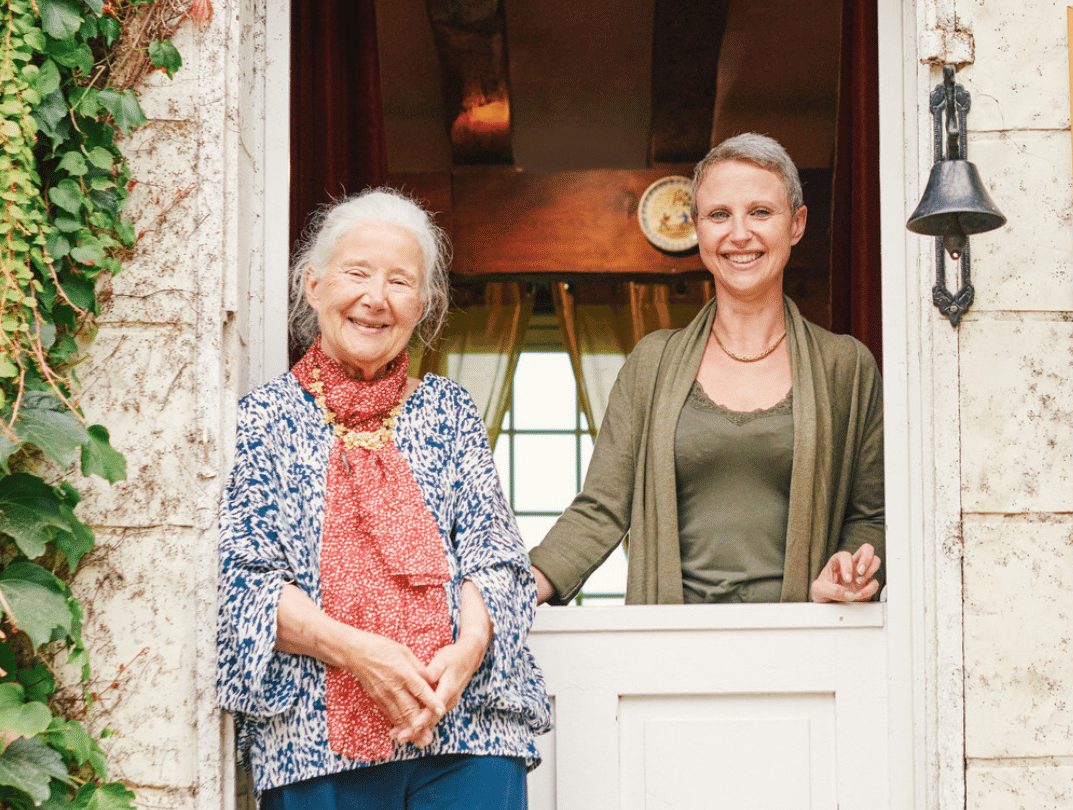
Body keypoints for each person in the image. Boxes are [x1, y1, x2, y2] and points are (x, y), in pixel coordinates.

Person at [216, 189, 550, 808]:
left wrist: (468, 650)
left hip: (469, 729)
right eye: (357, 273)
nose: (376, 298)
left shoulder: (449, 411)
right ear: (313, 286)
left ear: (420, 307)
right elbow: (245, 582)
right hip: (314, 741)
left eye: (400, 282)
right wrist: (359, 654)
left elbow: (496, 559)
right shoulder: (261, 420)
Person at [529, 133, 884, 605]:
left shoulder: (847, 366)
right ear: (697, 228)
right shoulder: (651, 364)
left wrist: (849, 568)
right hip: (673, 649)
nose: (740, 234)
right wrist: (510, 593)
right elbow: (600, 511)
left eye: (760, 212)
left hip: (805, 648)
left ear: (796, 224)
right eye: (719, 215)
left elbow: (872, 516)